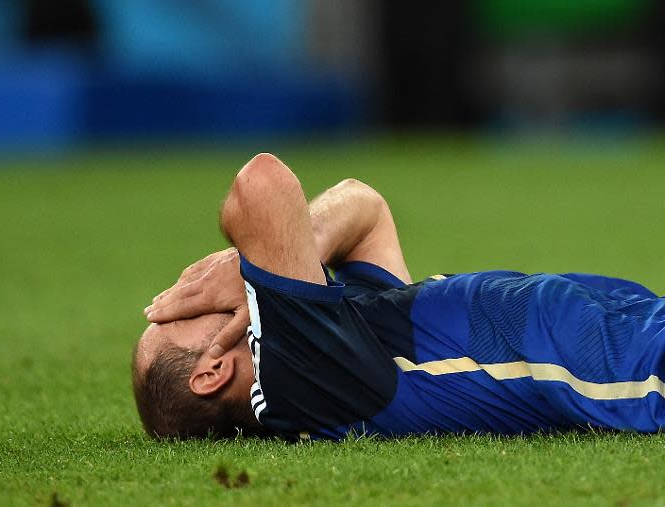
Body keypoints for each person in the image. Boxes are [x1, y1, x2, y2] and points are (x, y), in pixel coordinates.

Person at [132, 153, 665, 440]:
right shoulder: (297, 379)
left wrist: (275, 258)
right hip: (613, 361)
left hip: (620, 325)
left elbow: (364, 210)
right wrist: (248, 266)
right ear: (211, 373)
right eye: (187, 307)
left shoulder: (336, 337)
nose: (195, 293)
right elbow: (262, 184)